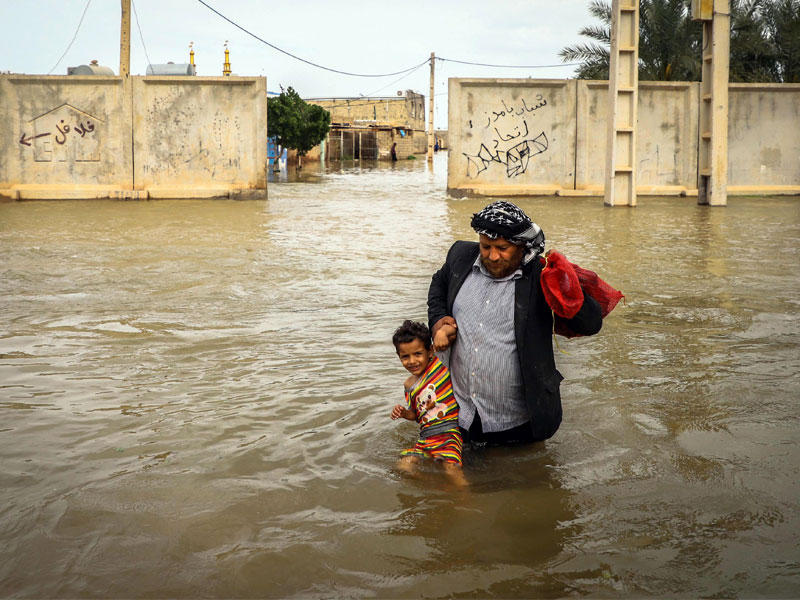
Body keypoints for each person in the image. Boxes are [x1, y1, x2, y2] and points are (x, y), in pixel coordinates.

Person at [428, 201, 603, 447]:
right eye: (485, 246)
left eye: (502, 248)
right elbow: (439, 283)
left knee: (521, 477)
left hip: (518, 422)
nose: (492, 255)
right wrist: (437, 322)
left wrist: (566, 286)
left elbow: (591, 324)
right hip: (460, 414)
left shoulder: (541, 276)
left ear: (521, 246)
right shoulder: (460, 256)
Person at [390, 320, 467, 486]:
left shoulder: (439, 364)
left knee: (451, 469)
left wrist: (442, 332)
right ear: (399, 357)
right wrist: (404, 413)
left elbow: (452, 331)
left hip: (449, 434)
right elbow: (416, 415)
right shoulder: (409, 385)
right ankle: (434, 485)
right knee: (403, 466)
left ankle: (464, 498)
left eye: (418, 354)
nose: (412, 361)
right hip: (425, 439)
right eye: (405, 356)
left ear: (430, 351)